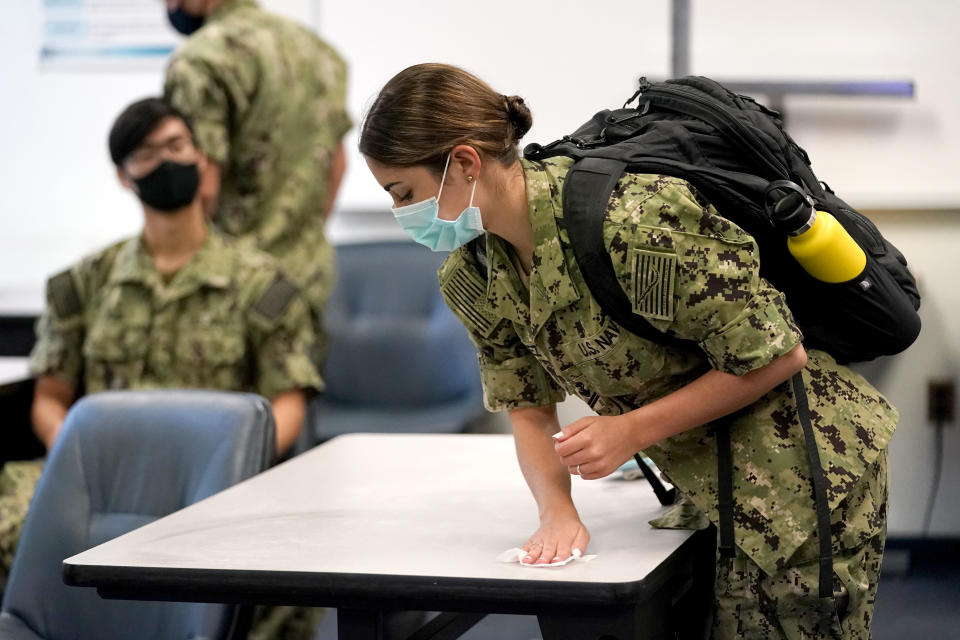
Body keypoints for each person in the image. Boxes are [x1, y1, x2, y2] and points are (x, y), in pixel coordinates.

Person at [358, 63, 897, 640]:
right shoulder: (475, 270)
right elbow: (527, 404)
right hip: (702, 482)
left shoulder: (629, 220)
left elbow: (775, 355)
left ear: (464, 163)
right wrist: (557, 512)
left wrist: (630, 431)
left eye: (404, 194)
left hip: (799, 475)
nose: (402, 215)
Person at [0, 97, 323, 599]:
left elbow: (288, 401)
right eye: (147, 153)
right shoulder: (86, 282)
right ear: (124, 176)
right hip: (102, 474)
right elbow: (50, 395)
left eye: (176, 145)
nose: (167, 160)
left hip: (211, 479)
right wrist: (79, 463)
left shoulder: (262, 283)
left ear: (201, 158)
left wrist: (236, 470)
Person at [163, 0, 352, 358]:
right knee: (296, 401)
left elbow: (202, 185)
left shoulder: (200, 59)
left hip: (229, 293)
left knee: (230, 414)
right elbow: (336, 165)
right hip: (306, 280)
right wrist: (299, 238)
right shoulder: (319, 52)